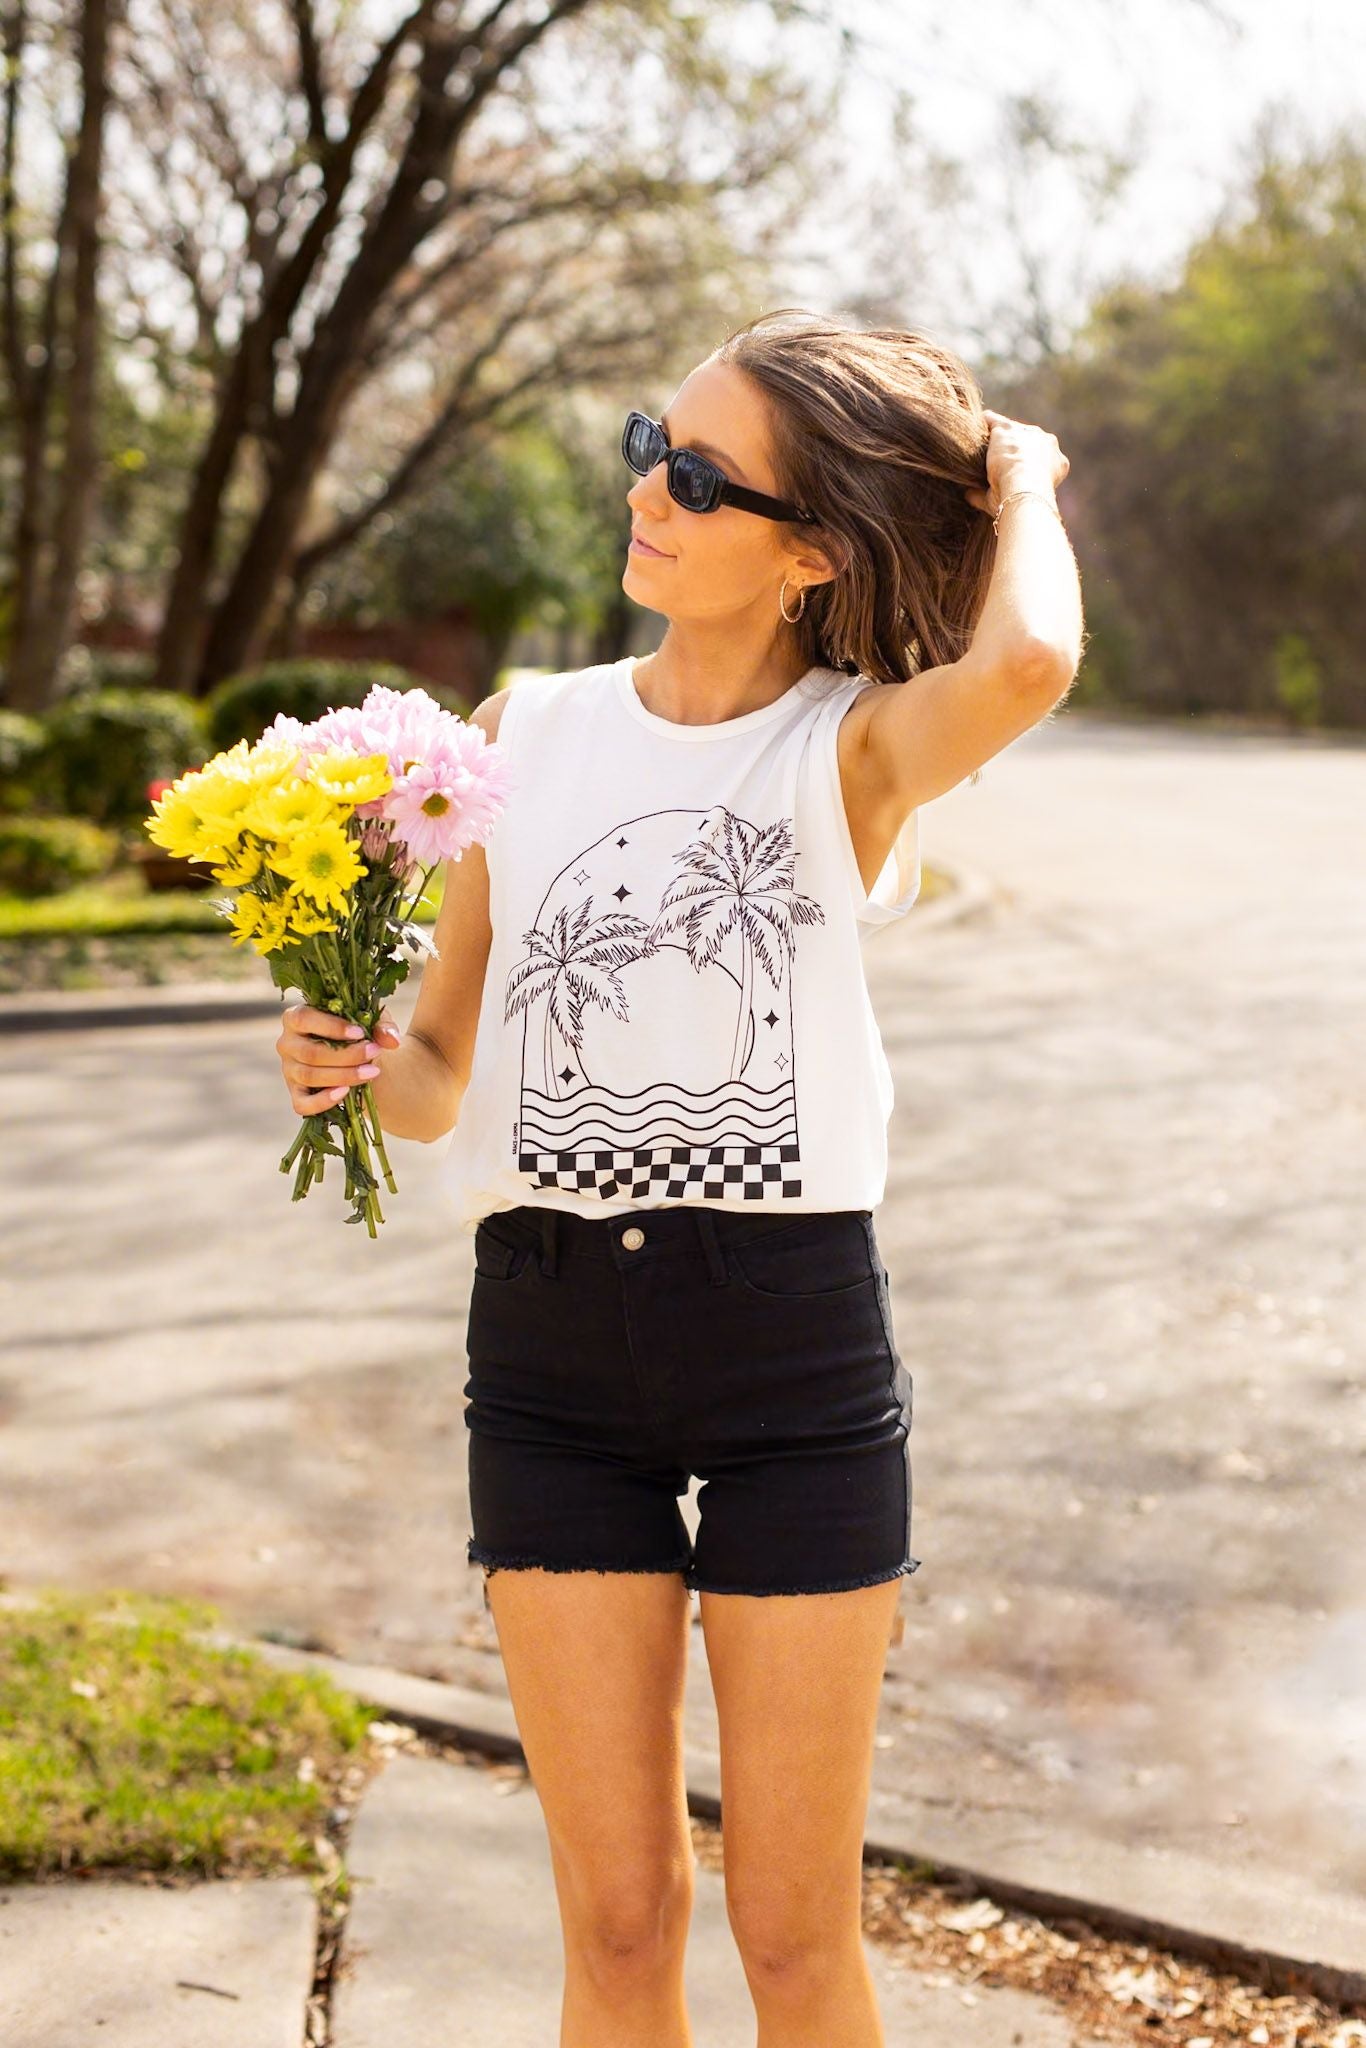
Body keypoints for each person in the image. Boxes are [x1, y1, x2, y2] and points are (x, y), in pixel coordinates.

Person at [276, 307, 1078, 2048]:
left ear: (808, 555)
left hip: (791, 1356)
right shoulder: (523, 732)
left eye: (703, 479)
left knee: (794, 1943)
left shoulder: (848, 753)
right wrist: (348, 1063)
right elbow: (434, 1083)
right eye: (655, 440)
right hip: (550, 1355)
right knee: (620, 1927)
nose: (651, 487)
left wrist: (1021, 477)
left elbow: (1023, 665)